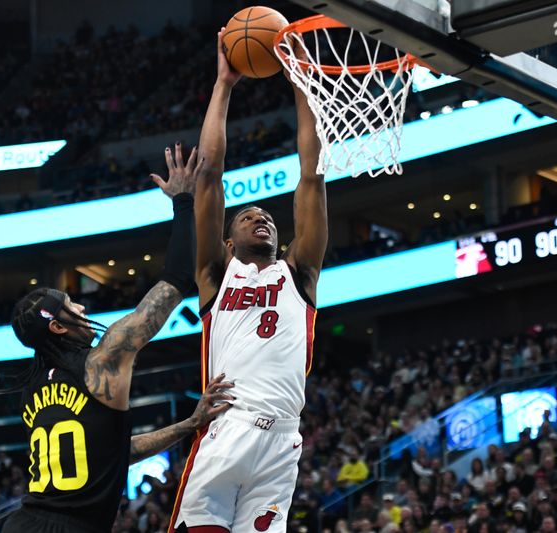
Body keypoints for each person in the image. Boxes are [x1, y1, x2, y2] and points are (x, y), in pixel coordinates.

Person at [1, 146, 235, 533]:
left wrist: (188, 424)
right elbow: (177, 279)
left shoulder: (31, 393)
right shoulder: (103, 359)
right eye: (70, 306)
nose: (81, 309)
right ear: (57, 327)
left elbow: (111, 454)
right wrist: (182, 201)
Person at [169, 29, 328, 533]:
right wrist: (223, 85)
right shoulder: (216, 273)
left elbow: (312, 172)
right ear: (229, 241)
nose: (261, 218)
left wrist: (301, 81)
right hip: (225, 430)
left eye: (267, 218)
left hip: (282, 442)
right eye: (247, 217)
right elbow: (210, 176)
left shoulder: (298, 271)